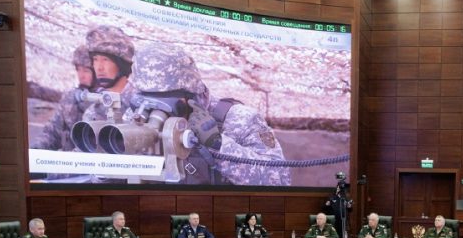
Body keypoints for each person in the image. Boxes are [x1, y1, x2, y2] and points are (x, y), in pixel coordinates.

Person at [124, 43, 291, 186]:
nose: (157, 109)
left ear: (192, 95)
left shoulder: (239, 119)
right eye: (147, 98)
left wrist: (218, 145)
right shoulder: (137, 117)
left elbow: (280, 180)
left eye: (167, 101)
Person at [35, 45, 95, 151]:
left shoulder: (106, 101)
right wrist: (37, 148)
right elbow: (53, 132)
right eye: (78, 70)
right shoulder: (70, 98)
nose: (81, 75)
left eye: (86, 71)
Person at [80, 25, 134, 122]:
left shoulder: (140, 105)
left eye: (106, 59)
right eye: (95, 59)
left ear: (122, 64)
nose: (99, 68)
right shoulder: (93, 111)